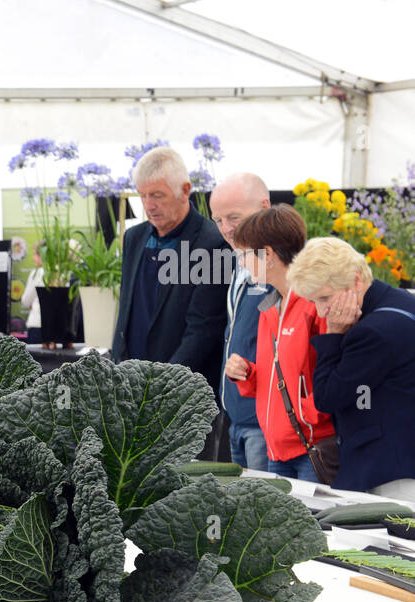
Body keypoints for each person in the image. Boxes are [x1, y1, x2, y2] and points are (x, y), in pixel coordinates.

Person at [112, 146, 228, 459]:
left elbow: (203, 329)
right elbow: (126, 311)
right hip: (132, 392)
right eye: (143, 195)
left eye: (158, 196)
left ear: (185, 190)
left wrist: (162, 388)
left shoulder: (212, 244)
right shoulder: (135, 238)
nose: (149, 205)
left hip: (181, 395)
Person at [291, 236, 415, 497]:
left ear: (356, 280)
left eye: (325, 297)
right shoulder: (401, 302)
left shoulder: (372, 332)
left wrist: (333, 335)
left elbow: (326, 398)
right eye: (314, 301)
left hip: (388, 472)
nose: (322, 312)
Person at [223, 206, 331, 482]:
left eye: (246, 255)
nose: (244, 263)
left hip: (310, 450)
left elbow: (334, 374)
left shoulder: (313, 304)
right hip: (277, 451)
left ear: (268, 255)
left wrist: (307, 418)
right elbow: (279, 379)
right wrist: (247, 374)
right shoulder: (270, 307)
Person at [210, 173, 272, 471]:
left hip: (265, 421)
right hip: (237, 416)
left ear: (264, 206)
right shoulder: (240, 261)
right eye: (218, 220)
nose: (226, 228)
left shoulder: (280, 268)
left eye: (233, 217)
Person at [19, 243, 46, 343]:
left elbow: (25, 301)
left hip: (36, 324)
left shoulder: (37, 273)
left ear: (42, 255)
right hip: (55, 328)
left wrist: (32, 303)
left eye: (35, 254)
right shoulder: (60, 273)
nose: (33, 258)